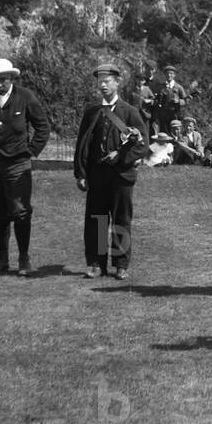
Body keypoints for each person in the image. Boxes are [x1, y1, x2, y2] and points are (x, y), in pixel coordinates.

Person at [0, 58, 50, 277]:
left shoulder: (25, 97)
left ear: (12, 78)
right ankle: (2, 259)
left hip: (17, 163)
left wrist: (31, 152)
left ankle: (24, 258)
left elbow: (43, 127)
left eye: (3, 79)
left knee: (20, 211)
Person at [74, 63, 148, 281]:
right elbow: (82, 144)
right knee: (97, 219)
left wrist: (121, 157)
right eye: (100, 81)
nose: (103, 85)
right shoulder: (92, 112)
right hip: (97, 175)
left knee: (121, 219)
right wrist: (81, 174)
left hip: (121, 176)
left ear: (118, 83)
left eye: (107, 81)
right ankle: (96, 264)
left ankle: (121, 265)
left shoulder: (130, 112)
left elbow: (142, 145)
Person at [154, 65, 187, 133]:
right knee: (163, 132)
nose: (169, 75)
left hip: (175, 113)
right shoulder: (160, 87)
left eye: (171, 73)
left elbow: (186, 100)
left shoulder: (178, 87)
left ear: (174, 75)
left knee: (175, 131)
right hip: (163, 115)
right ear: (165, 75)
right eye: (167, 73)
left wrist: (178, 101)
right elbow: (156, 99)